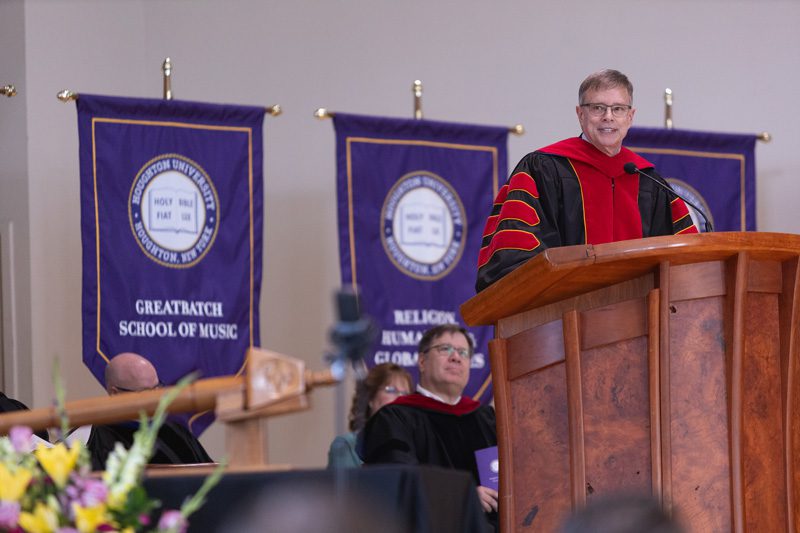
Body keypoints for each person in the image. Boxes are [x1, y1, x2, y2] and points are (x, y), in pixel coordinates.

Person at [476, 69, 698, 292]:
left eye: (618, 109)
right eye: (598, 108)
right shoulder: (543, 169)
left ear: (630, 117)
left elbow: (684, 261)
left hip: (637, 317)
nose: (608, 117)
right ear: (580, 114)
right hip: (561, 314)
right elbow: (516, 256)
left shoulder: (649, 182)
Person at [362, 324, 498, 525]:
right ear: (422, 361)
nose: (455, 357)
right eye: (445, 349)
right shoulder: (394, 418)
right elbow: (399, 479)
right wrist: (462, 498)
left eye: (463, 352)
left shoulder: (486, 418)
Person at [86, 352, 213, 470]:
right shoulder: (102, 441)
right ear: (115, 393)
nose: (156, 398)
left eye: (157, 387)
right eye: (146, 392)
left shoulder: (175, 430)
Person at [327, 362, 413, 469]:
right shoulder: (346, 445)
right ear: (371, 398)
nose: (400, 398)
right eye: (391, 390)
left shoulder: (415, 446)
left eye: (405, 394)